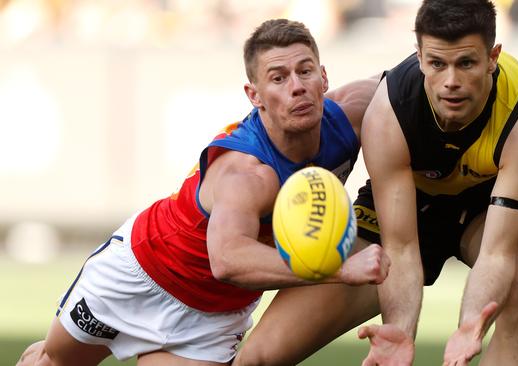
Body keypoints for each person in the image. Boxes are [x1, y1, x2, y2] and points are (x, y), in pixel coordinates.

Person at [17, 18, 389, 366]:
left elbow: (411, 80)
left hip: (214, 315)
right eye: (278, 78)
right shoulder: (246, 173)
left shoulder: (356, 110)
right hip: (142, 274)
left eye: (305, 71)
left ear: (323, 77)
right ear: (254, 95)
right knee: (54, 361)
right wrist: (340, 269)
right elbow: (227, 260)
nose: (297, 86)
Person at [354, 0, 518, 365]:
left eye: (466, 63)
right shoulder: (389, 111)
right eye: (437, 64)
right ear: (418, 57)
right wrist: (399, 329)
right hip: (411, 204)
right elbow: (399, 249)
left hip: (486, 202)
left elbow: (498, 252)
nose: (451, 82)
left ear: (492, 57)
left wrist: (469, 325)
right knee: (266, 350)